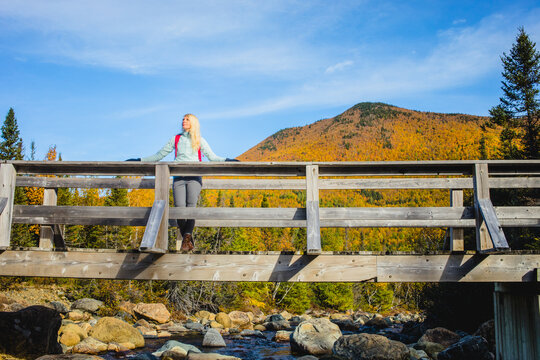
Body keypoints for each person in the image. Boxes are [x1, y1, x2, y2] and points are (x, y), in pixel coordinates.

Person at [127, 113, 237, 251]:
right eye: (183, 119)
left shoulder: (199, 140)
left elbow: (213, 157)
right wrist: (139, 160)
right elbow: (159, 155)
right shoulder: (176, 139)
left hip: (194, 177)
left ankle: (186, 240)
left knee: (190, 208)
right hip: (178, 177)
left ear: (193, 123)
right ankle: (188, 239)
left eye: (187, 119)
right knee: (179, 209)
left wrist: (228, 160)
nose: (183, 121)